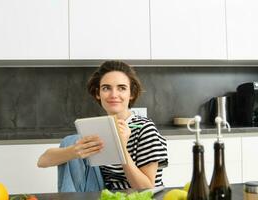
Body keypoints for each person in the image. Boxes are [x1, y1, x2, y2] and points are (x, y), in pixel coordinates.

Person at [37, 60, 168, 190]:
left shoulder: (145, 128)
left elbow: (146, 188)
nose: (114, 95)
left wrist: (121, 148)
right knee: (70, 141)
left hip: (136, 196)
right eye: (106, 88)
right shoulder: (100, 128)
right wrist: (75, 151)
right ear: (97, 93)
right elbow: (42, 161)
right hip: (104, 194)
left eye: (121, 88)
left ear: (131, 94)